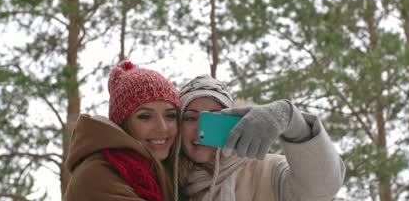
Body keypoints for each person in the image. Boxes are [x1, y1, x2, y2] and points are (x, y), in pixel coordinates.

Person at [178, 75, 346, 201]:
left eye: (214, 118)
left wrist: (294, 123)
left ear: (231, 122)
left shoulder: (267, 169)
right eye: (190, 118)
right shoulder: (168, 180)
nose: (199, 129)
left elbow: (321, 188)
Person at [64, 60, 181, 201]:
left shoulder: (169, 171)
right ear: (122, 124)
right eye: (145, 117)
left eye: (170, 115)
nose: (162, 127)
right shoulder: (99, 173)